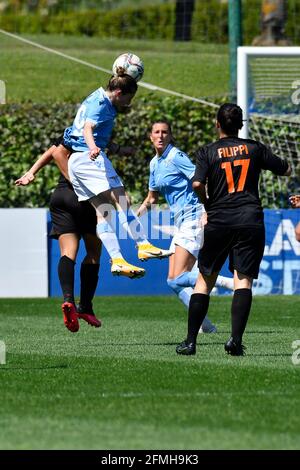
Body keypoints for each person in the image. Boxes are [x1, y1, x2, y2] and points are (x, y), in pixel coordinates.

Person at [176, 103, 291, 356]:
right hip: (250, 220)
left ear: (217, 123)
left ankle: (190, 342)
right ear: (241, 125)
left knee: (204, 281)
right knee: (243, 281)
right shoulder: (254, 148)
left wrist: (208, 203)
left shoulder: (207, 151)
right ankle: (235, 341)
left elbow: (197, 183)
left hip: (219, 221)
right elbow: (285, 168)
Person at [64, 71, 171, 283]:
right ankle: (142, 244)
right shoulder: (101, 104)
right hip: (89, 158)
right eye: (128, 98)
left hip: (77, 161)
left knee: (103, 211)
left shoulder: (98, 97)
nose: (128, 103)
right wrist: (94, 148)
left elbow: (94, 132)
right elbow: (88, 129)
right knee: (123, 199)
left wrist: (119, 149)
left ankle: (117, 259)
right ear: (119, 92)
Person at [137, 121, 234, 333]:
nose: (161, 136)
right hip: (182, 222)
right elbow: (152, 198)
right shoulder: (155, 164)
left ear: (170, 136)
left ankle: (227, 283)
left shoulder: (176, 157)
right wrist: (136, 215)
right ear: (150, 137)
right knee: (173, 281)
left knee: (179, 276)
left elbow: (202, 182)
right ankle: (206, 325)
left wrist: (209, 210)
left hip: (194, 217)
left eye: (165, 132)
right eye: (157, 132)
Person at [15, 137, 102, 333]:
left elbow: (53, 151)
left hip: (61, 197)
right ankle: (85, 306)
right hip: (87, 198)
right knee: (94, 254)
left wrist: (31, 172)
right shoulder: (99, 136)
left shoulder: (72, 135)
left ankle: (68, 299)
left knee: (68, 252)